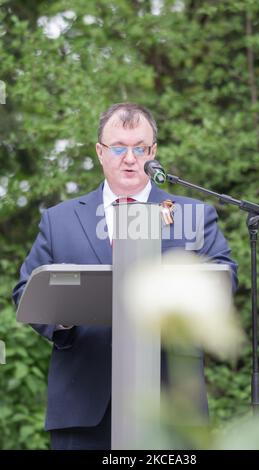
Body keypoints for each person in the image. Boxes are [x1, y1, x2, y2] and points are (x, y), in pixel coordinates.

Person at [13, 102, 238, 450]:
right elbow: (26, 290)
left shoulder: (193, 215)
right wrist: (64, 318)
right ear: (100, 152)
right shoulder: (59, 220)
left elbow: (223, 279)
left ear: (154, 152)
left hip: (172, 407)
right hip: (84, 408)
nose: (130, 158)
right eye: (119, 147)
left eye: (140, 148)